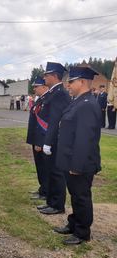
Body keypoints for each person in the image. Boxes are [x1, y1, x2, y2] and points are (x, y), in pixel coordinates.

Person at [53, 67, 101, 245]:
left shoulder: (87, 104)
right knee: (75, 194)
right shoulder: (78, 101)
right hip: (70, 160)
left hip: (79, 162)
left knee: (81, 197)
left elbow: (85, 139)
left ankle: (82, 232)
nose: (68, 85)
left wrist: (77, 166)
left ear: (82, 82)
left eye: (71, 81)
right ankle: (74, 224)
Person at [39, 62, 71, 215]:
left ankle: (57, 205)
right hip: (50, 138)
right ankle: (51, 202)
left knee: (57, 173)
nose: (44, 77)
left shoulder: (59, 93)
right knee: (50, 171)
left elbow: (55, 120)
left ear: (54, 76)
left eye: (46, 75)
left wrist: (48, 142)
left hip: (56, 139)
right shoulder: (53, 92)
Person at [26, 76, 50, 201]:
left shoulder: (47, 100)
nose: (34, 89)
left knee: (44, 167)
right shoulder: (40, 100)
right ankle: (42, 189)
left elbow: (45, 124)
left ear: (44, 86)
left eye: (36, 86)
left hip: (40, 141)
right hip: (35, 139)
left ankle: (46, 191)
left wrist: (40, 142)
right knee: (39, 166)